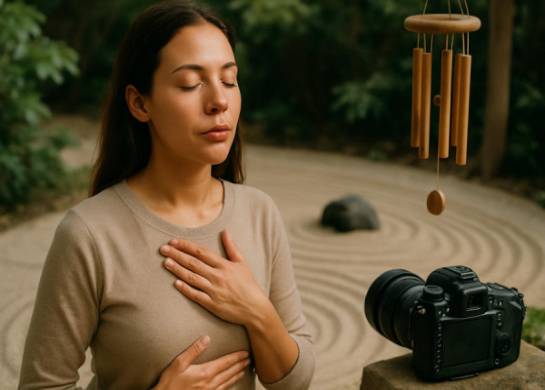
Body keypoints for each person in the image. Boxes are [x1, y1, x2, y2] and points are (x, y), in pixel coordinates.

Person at [17, 1, 315, 389]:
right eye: (192, 84)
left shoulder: (260, 212)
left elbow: (296, 382)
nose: (219, 102)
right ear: (140, 103)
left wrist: (256, 309)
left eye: (229, 80)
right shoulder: (89, 234)